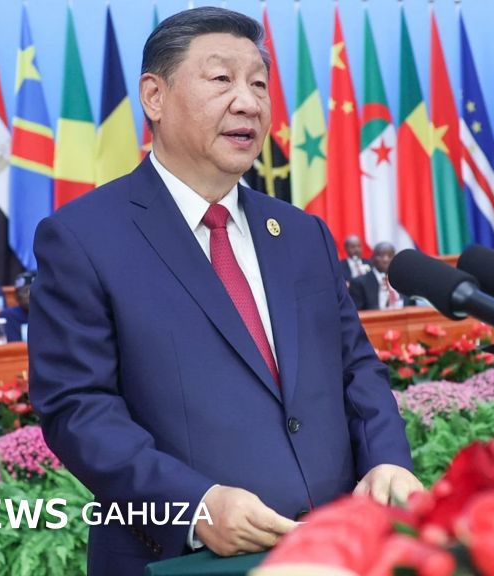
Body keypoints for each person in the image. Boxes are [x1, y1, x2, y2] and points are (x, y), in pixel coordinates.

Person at [28, 9, 418, 575]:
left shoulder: (301, 234)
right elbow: (78, 410)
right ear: (154, 96)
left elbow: (356, 369)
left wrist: (387, 460)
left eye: (258, 84)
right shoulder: (84, 237)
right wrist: (194, 505)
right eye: (221, 80)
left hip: (335, 553)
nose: (248, 103)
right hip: (186, 561)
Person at [348, 243, 412, 311]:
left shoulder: (404, 281)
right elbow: (357, 312)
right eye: (381, 255)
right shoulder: (359, 283)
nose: (385, 260)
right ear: (372, 258)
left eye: (390, 256)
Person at [0, 271, 33, 343]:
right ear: (16, 296)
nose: (28, 295)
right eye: (25, 291)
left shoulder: (46, 315)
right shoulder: (6, 316)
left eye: (31, 291)